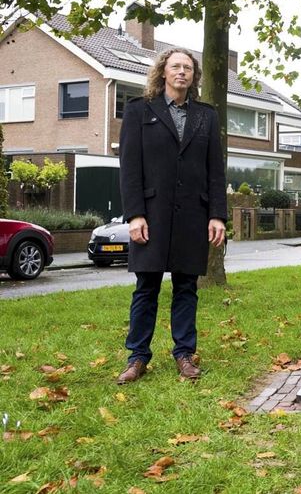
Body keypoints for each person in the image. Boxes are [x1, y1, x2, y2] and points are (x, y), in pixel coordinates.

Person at [117, 48, 228, 383]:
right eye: (176, 66)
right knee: (146, 286)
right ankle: (137, 357)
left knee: (186, 286)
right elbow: (130, 167)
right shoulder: (139, 111)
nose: (182, 72)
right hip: (151, 214)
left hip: (193, 215)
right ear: (163, 71)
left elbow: (215, 171)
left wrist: (217, 215)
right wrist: (135, 214)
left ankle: (184, 354)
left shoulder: (206, 116)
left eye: (188, 67)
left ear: (194, 75)